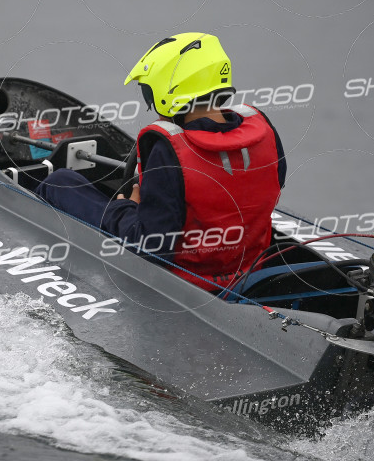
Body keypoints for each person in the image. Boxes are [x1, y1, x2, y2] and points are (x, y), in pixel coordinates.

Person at [35, 32, 285, 292]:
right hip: (248, 272)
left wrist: (126, 209)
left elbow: (151, 248)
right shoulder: (265, 133)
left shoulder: (169, 151)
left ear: (168, 90)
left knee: (60, 182)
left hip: (184, 283)